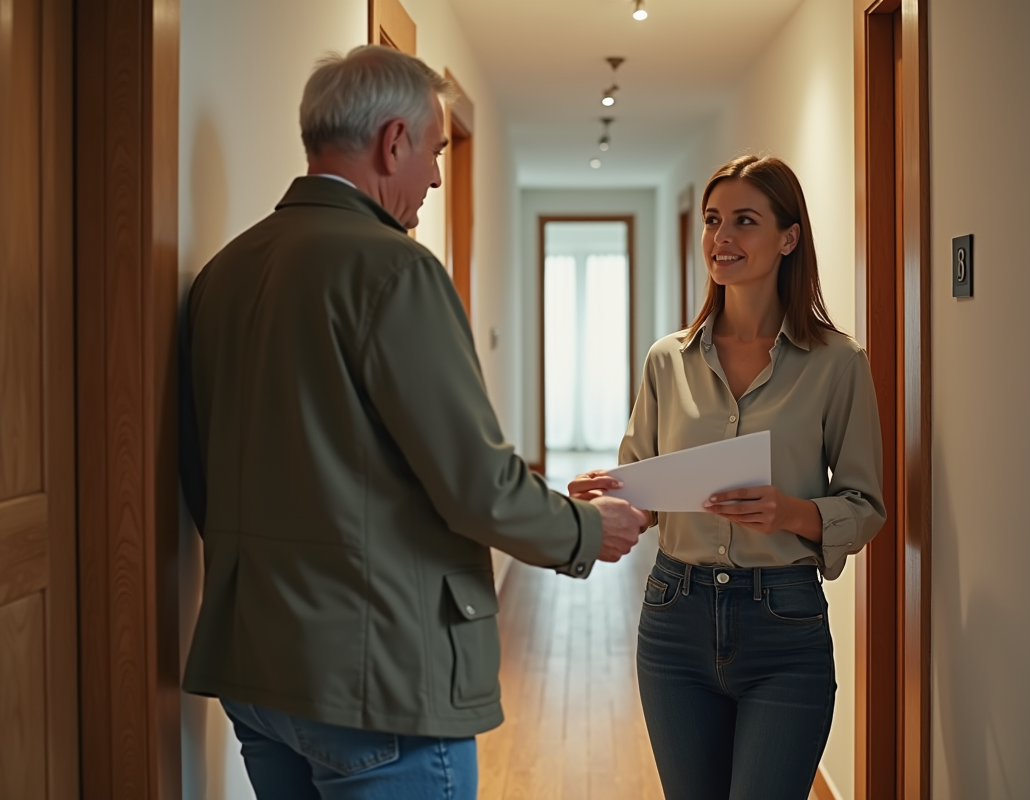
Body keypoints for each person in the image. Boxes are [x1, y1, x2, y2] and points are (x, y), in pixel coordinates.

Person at [178, 45, 646, 800]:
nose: (433, 175)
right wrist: (589, 529)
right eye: (431, 152)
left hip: (254, 668)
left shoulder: (223, 275)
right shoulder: (395, 269)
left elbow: (202, 475)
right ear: (392, 140)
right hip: (376, 681)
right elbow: (478, 485)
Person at [571, 155, 886, 799]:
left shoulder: (837, 363)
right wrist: (609, 498)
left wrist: (790, 512)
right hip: (673, 618)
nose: (722, 238)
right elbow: (647, 495)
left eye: (745, 221)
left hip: (785, 625)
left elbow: (865, 505)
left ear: (788, 237)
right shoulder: (669, 360)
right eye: (714, 220)